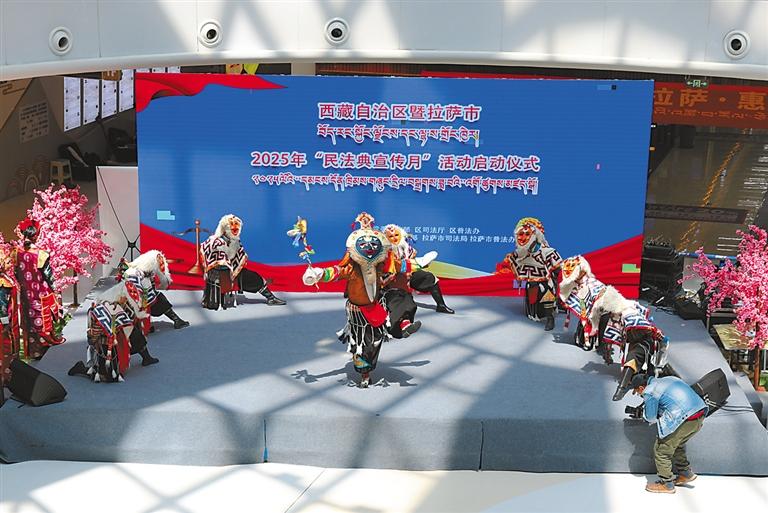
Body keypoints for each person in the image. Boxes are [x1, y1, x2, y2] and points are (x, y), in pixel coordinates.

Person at [302, 212, 400, 388]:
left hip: (375, 307)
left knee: (375, 342)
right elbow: (336, 272)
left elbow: (391, 271)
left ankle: (403, 326)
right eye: (364, 244)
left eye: (373, 244)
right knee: (361, 344)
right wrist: (319, 274)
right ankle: (364, 374)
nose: (369, 247)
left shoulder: (380, 265)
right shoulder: (352, 268)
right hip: (357, 313)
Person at [68, 279, 159, 382]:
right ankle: (81, 368)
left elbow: (130, 321)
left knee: (135, 334)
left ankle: (146, 357)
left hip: (120, 336)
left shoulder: (122, 303)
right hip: (106, 343)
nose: (127, 300)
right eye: (125, 298)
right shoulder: (100, 309)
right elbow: (93, 335)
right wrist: (96, 343)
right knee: (107, 377)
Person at [630, 374, 707, 493]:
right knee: (677, 444)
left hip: (684, 418)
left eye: (638, 392)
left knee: (661, 450)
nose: (640, 395)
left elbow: (650, 417)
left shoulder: (650, 391)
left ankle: (667, 484)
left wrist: (643, 414)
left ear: (641, 388)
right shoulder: (670, 378)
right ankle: (685, 473)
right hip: (699, 415)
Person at [200, 214, 285, 310]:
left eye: (236, 225)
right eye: (231, 225)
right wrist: (224, 265)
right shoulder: (216, 241)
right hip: (219, 273)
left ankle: (270, 298)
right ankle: (270, 297)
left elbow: (238, 255)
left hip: (232, 271)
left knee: (255, 278)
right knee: (254, 279)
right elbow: (212, 259)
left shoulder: (235, 240)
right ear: (225, 228)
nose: (235, 228)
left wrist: (235, 265)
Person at [497, 217, 561, 331]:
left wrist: (555, 279)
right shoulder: (519, 253)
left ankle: (550, 318)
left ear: (535, 235)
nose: (523, 238)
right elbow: (513, 263)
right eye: (520, 234)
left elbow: (557, 268)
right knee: (532, 296)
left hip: (545, 281)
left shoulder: (547, 251)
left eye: (527, 234)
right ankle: (533, 313)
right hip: (531, 281)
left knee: (547, 293)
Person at [13, 218, 63, 359]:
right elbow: (49, 277)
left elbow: (16, 274)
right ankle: (46, 352)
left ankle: (35, 352)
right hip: (41, 295)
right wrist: (56, 292)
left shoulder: (16, 253)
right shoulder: (41, 254)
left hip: (26, 296)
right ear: (36, 235)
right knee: (43, 323)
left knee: (30, 323)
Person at [383, 223, 454, 315]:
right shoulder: (384, 250)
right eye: (391, 236)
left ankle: (441, 305)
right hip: (393, 278)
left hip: (409, 272)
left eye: (396, 235)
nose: (394, 238)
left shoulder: (406, 247)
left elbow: (411, 258)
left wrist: (415, 265)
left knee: (429, 277)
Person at [118, 250, 189, 329]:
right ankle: (176, 320)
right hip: (140, 290)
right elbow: (163, 281)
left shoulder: (142, 261)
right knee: (159, 299)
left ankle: (143, 326)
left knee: (141, 303)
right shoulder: (157, 260)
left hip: (132, 290)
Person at [0, 241, 20, 390]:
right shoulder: (2, 282)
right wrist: (6, 323)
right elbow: (1, 305)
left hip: (9, 320)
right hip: (5, 324)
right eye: (6, 261)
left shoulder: (5, 278)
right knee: (5, 350)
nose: (9, 263)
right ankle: (6, 377)